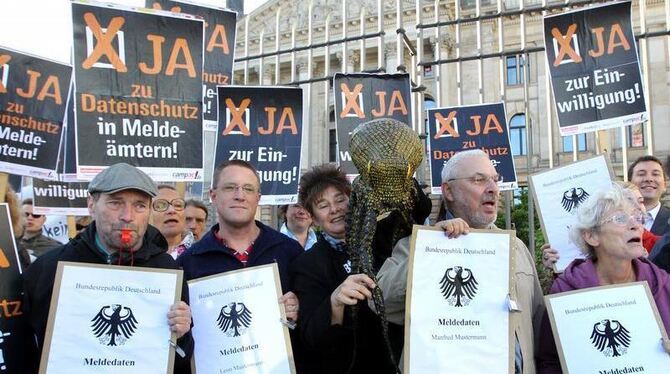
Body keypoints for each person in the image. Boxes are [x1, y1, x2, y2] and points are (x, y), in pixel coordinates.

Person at [376, 149, 544, 374]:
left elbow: (538, 321)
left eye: (495, 180)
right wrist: (431, 251)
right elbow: (379, 303)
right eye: (479, 179)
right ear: (449, 191)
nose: (493, 189)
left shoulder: (516, 248)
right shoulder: (416, 245)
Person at [22, 163, 193, 373]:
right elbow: (25, 348)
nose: (127, 216)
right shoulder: (49, 268)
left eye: (139, 205)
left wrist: (182, 335)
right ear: (91, 205)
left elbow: (180, 362)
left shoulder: (168, 272)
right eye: (115, 203)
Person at [537, 184, 670, 373]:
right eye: (620, 218)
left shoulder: (664, 284)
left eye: (637, 218)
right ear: (591, 236)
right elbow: (550, 362)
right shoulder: (565, 291)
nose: (635, 225)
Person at [290, 163, 398, 373]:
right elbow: (311, 337)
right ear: (313, 217)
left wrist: (439, 235)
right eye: (323, 205)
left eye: (340, 200)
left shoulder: (385, 241)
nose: (335, 209)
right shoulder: (307, 266)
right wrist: (335, 301)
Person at [177, 160, 300, 318]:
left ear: (258, 198)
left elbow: (311, 327)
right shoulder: (187, 263)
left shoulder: (290, 252)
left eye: (248, 189)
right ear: (213, 196)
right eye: (230, 188)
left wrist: (300, 307)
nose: (240, 196)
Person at [542, 181, 660, 269]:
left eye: (640, 201)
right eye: (620, 217)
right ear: (591, 236)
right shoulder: (574, 280)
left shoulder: (661, 248)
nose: (637, 207)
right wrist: (557, 264)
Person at [628, 155, 669, 235]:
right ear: (629, 183)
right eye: (641, 174)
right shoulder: (617, 221)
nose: (649, 179)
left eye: (655, 174)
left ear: (665, 185)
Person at [151, 185, 193, 258]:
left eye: (178, 205)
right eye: (160, 206)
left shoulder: (202, 252)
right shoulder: (135, 255)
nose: (172, 210)